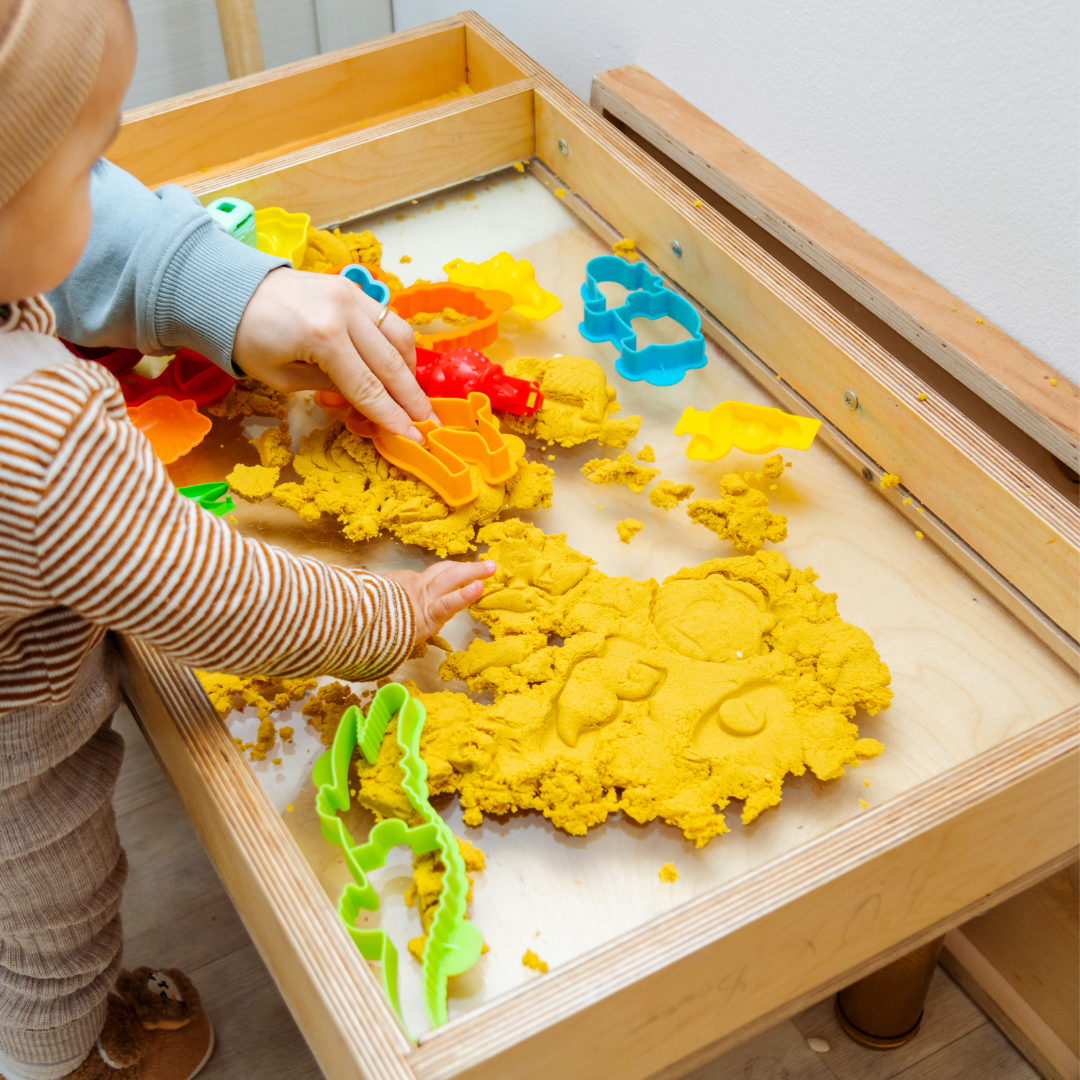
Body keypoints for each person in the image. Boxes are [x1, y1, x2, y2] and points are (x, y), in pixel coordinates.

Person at [0, 0, 494, 1076]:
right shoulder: (32, 436)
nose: (107, 187)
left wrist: (211, 287)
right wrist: (386, 614)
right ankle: (58, 1054)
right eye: (85, 168)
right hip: (11, 756)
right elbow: (211, 595)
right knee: (46, 923)